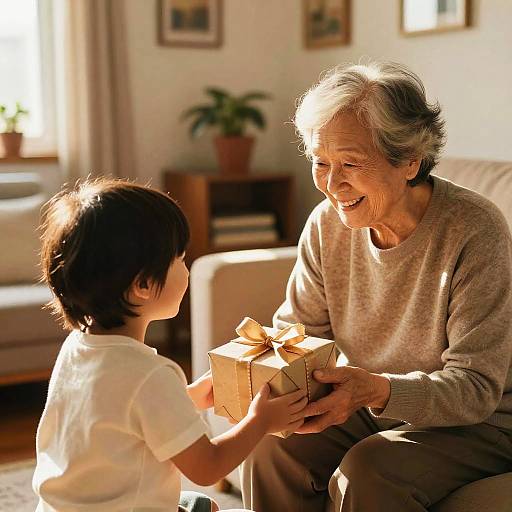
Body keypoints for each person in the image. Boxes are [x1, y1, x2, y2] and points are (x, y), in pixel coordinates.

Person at [241, 61, 512, 511]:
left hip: (480, 423)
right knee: (269, 448)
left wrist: (376, 390)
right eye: (320, 162)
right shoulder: (327, 224)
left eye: (350, 164)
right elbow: (298, 336)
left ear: (410, 161)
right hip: (371, 401)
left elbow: (476, 388)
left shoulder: (474, 229)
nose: (331, 185)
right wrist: (256, 374)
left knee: (369, 470)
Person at [33, 178, 307, 512]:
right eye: (178, 259)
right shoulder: (152, 376)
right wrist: (260, 421)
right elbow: (208, 466)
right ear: (143, 285)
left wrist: (187, 398)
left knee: (203, 507)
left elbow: (117, 416)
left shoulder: (76, 349)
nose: (186, 267)